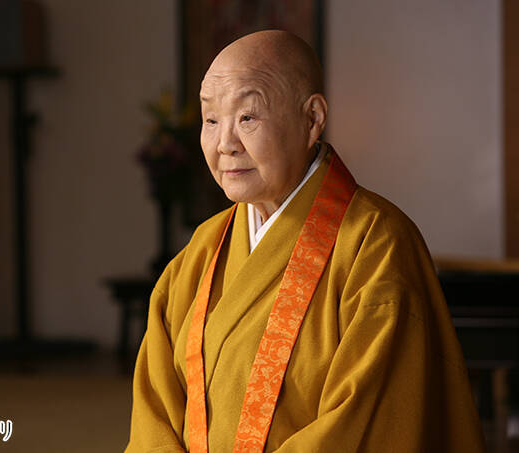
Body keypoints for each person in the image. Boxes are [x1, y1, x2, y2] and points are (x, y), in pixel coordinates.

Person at [125, 30, 485, 453]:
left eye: (247, 117)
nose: (225, 144)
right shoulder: (203, 248)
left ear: (312, 119)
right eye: (211, 120)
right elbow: (154, 408)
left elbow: (368, 420)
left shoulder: (376, 244)